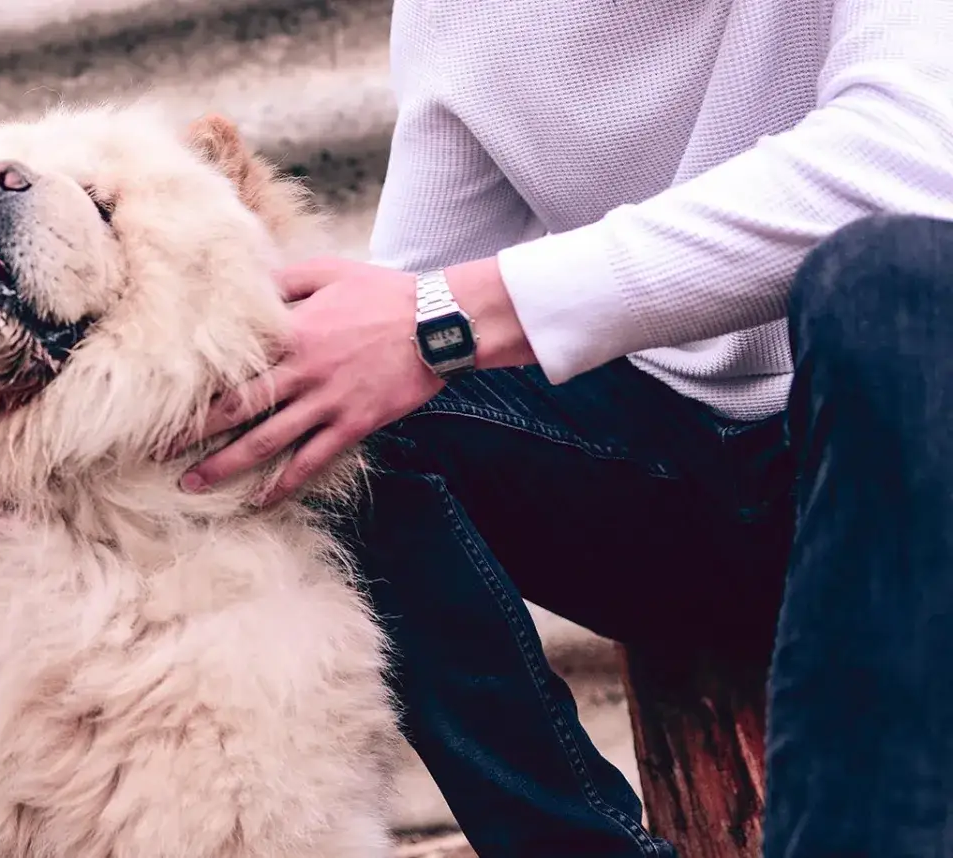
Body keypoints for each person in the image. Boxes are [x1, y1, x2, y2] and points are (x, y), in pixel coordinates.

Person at [182, 1, 953, 856]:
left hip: (907, 469)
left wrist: (454, 315)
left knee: (894, 286)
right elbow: (395, 319)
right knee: (337, 419)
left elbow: (913, 157)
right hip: (669, 486)